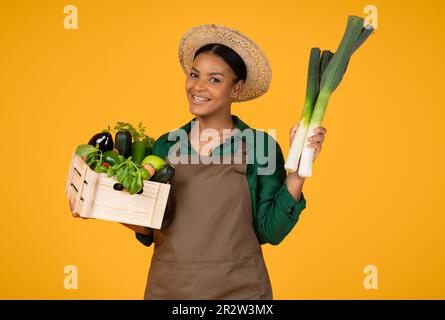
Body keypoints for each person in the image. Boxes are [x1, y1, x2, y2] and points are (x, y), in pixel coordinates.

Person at [69, 24, 327, 300]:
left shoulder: (260, 146)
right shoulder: (166, 146)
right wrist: (103, 203)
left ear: (236, 88)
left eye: (215, 79)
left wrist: (298, 174)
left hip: (241, 293)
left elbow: (271, 231)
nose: (198, 87)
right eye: (194, 75)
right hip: (170, 289)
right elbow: (149, 228)